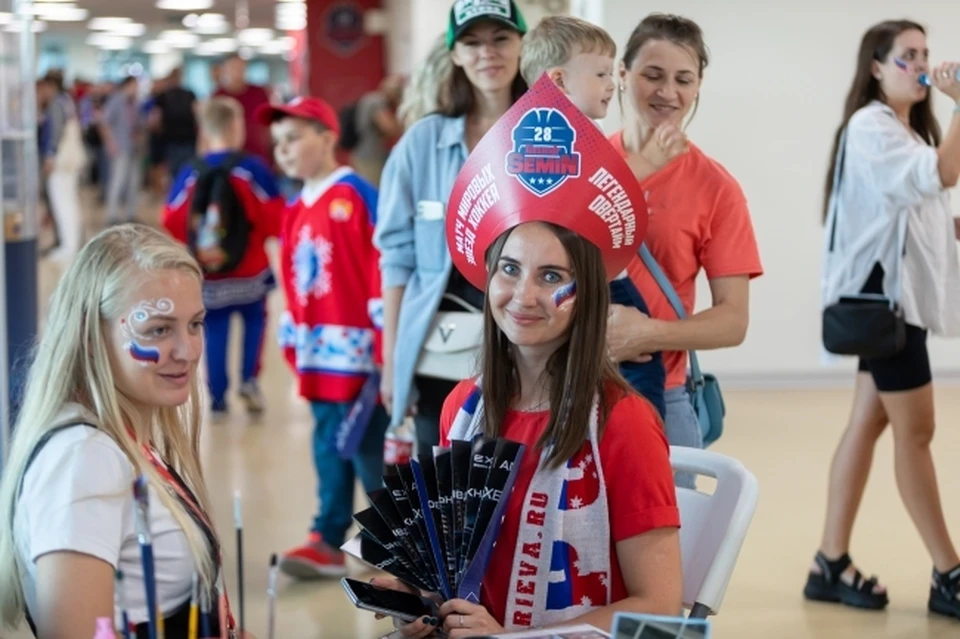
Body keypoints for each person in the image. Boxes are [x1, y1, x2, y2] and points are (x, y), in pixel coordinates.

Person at [372, 77, 682, 637]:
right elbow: (465, 571)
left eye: (552, 276)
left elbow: (658, 607)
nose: (524, 297)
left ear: (583, 292)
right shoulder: (461, 408)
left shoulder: (625, 424)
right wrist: (420, 598)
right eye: (510, 269)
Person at [0, 224, 246, 638]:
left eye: (195, 324)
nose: (187, 352)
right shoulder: (82, 459)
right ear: (91, 336)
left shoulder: (123, 438)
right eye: (158, 329)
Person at [808, 20, 960, 619]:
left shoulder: (899, 130)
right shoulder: (871, 126)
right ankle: (949, 572)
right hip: (884, 306)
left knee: (869, 423)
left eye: (925, 53)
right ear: (875, 67)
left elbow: (916, 210)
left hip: (893, 306)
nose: (921, 64)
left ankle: (828, 561)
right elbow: (942, 175)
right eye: (907, 55)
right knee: (916, 433)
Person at [608, 13, 763, 486]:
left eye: (683, 79)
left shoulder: (717, 188)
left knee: (667, 551)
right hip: (568, 387)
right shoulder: (582, 164)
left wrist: (645, 334)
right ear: (621, 74)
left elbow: (733, 320)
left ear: (698, 86)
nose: (667, 92)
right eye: (652, 75)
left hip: (665, 395)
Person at [375, 0, 528, 457]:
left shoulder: (546, 136)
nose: (488, 53)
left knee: (514, 482)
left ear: (522, 45)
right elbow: (397, 256)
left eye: (501, 38)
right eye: (472, 42)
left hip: (525, 346)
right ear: (455, 54)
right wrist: (391, 361)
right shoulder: (421, 144)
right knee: (441, 489)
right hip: (439, 350)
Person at [256, 97, 390, 578]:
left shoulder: (356, 195)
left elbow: (382, 268)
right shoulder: (294, 208)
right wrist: (291, 336)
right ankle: (328, 536)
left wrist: (383, 342)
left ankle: (387, 543)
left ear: (328, 138)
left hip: (361, 359)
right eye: (277, 143)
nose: (283, 151)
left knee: (369, 449)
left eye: (293, 138)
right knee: (327, 445)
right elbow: (293, 278)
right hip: (317, 355)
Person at [520, 14, 666, 418]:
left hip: (595, 281)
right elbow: (585, 193)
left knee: (625, 378)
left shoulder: (573, 132)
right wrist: (648, 163)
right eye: (601, 73)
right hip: (587, 285)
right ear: (559, 81)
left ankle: (637, 443)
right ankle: (644, 442)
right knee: (638, 379)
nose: (612, 83)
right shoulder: (551, 135)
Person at [161, 97, 283, 420]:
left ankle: (216, 395)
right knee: (255, 320)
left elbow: (172, 218)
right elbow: (275, 216)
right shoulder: (252, 168)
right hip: (251, 269)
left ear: (205, 129)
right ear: (234, 127)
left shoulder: (191, 171)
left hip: (208, 270)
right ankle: (249, 379)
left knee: (213, 326)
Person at [100, 76, 146, 225]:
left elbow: (139, 125)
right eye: (134, 86)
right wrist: (111, 144)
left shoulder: (136, 103)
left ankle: (130, 214)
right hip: (120, 147)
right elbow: (105, 124)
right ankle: (112, 215)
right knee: (118, 181)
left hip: (134, 148)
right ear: (127, 85)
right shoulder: (116, 101)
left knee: (134, 182)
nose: (136, 89)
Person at [214, 54, 272, 166]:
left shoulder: (259, 93)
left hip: (258, 153)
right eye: (233, 67)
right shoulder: (218, 96)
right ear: (224, 70)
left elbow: (268, 124)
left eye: (241, 67)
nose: (237, 71)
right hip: (228, 158)